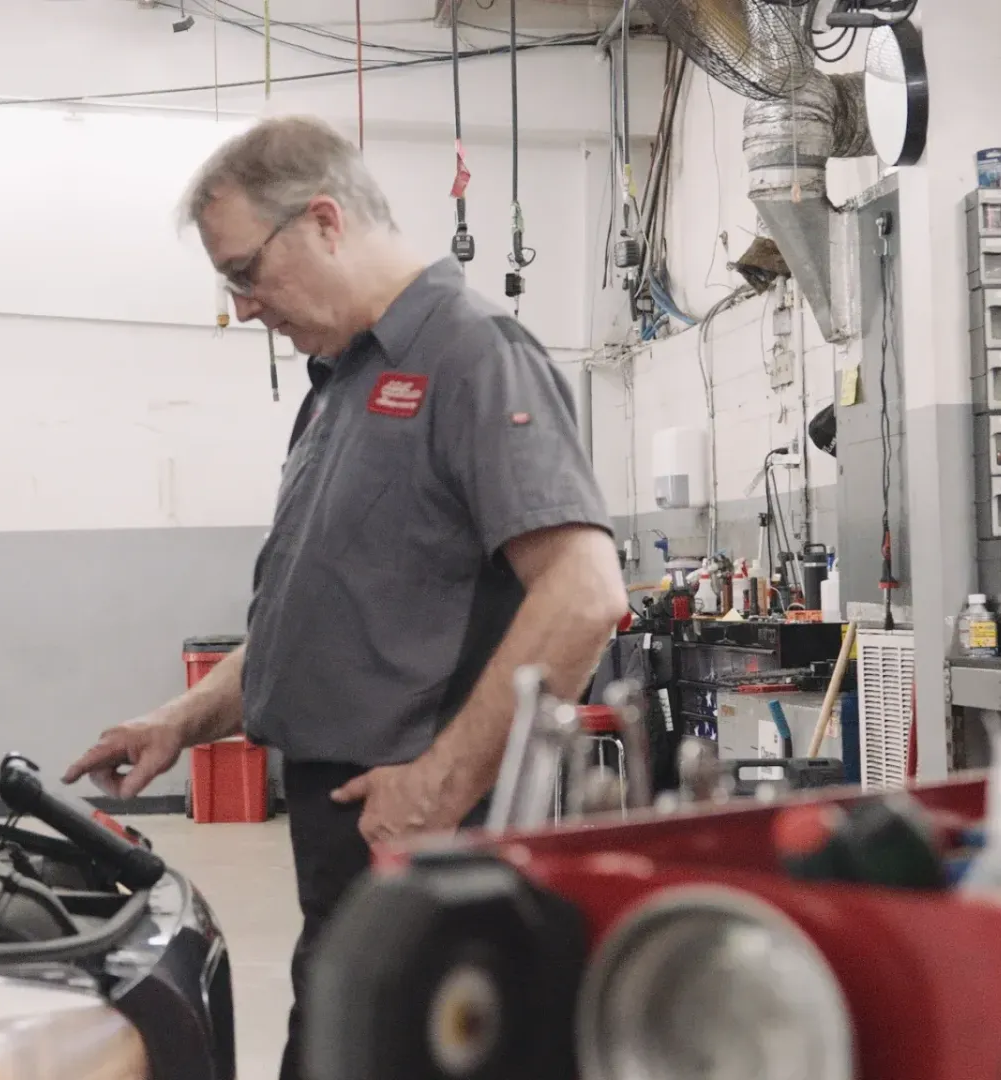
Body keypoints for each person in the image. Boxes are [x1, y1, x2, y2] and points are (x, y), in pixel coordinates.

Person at [62, 115, 627, 1080]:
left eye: (246, 272)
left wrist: (438, 787)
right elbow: (325, 613)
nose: (244, 307)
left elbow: (584, 594)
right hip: (349, 838)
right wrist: (181, 720)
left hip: (422, 840)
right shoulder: (339, 382)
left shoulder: (474, 354)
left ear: (325, 221)